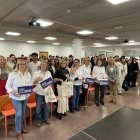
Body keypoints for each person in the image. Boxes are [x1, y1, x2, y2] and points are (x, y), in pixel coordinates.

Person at [5, 59, 32, 140]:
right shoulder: (13, 74)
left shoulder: (28, 73)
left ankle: (21, 127)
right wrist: (14, 93)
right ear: (17, 65)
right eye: (20, 64)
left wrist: (30, 90)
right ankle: (18, 132)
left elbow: (30, 84)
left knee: (23, 112)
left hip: (25, 96)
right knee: (19, 114)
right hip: (16, 97)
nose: (22, 65)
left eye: (24, 64)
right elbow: (7, 86)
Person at [32, 61, 51, 127]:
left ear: (46, 66)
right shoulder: (36, 73)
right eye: (42, 64)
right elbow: (33, 83)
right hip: (39, 92)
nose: (43, 66)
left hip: (47, 92)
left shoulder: (48, 72)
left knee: (46, 107)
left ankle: (45, 119)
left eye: (45, 65)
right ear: (40, 66)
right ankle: (38, 120)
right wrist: (36, 80)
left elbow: (50, 81)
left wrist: (50, 83)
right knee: (38, 108)